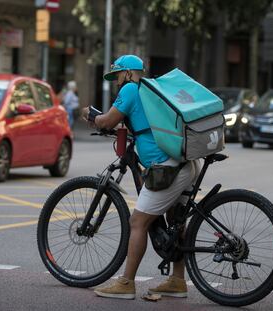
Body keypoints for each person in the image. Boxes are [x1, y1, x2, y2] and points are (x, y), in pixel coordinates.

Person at [82, 55, 200, 300]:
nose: (116, 81)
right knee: (175, 219)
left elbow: (108, 120)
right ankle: (177, 281)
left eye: (117, 76)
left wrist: (92, 116)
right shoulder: (152, 90)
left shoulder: (130, 90)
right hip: (186, 163)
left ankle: (126, 283)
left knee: (138, 222)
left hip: (167, 169)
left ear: (127, 73)